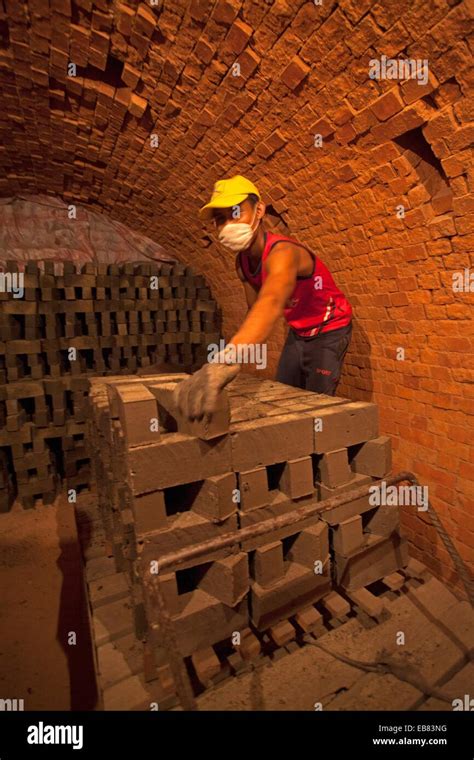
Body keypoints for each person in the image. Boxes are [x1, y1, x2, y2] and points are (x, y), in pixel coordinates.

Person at [174, 175, 353, 422]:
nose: (227, 226)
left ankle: (318, 455)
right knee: (285, 394)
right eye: (220, 220)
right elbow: (255, 308)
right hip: (299, 332)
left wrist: (227, 357)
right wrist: (231, 361)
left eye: (235, 213)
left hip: (329, 329)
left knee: (317, 406)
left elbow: (271, 302)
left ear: (259, 210)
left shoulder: (283, 253)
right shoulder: (243, 263)